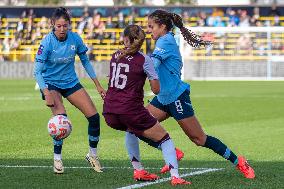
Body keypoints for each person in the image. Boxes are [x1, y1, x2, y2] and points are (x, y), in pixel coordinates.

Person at [126, 9, 255, 179]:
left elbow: (153, 64)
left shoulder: (166, 41)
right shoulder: (162, 40)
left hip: (177, 97)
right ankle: (172, 152)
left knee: (199, 139)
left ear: (162, 27)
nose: (148, 30)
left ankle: (239, 161)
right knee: (134, 126)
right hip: (163, 98)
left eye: (151, 26)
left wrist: (129, 59)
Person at [102, 24, 191, 186]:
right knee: (165, 139)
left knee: (131, 130)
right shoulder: (144, 59)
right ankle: (175, 176)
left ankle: (138, 170)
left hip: (109, 112)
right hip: (129, 110)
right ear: (142, 41)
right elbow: (156, 90)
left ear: (124, 39)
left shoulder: (115, 55)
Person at [33, 7, 106, 174]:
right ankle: (57, 159)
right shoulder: (46, 42)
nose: (61, 29)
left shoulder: (75, 39)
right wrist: (46, 93)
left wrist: (97, 85)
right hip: (51, 84)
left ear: (69, 25)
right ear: (52, 24)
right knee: (61, 120)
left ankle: (92, 155)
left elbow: (86, 62)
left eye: (65, 26)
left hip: (71, 83)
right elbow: (37, 71)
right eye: (58, 26)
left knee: (94, 117)